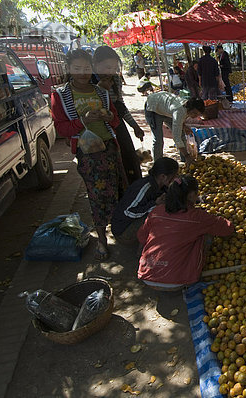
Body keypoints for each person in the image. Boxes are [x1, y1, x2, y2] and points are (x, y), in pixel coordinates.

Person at [51, 49, 127, 260]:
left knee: (118, 190)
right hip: (88, 154)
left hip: (109, 148)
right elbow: (62, 129)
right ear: (69, 69)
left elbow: (115, 121)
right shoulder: (60, 95)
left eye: (86, 68)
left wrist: (109, 115)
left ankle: (120, 231)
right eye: (78, 68)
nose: (83, 73)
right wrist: (83, 120)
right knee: (97, 196)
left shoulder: (101, 92)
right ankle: (102, 239)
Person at [137, 175, 235, 291]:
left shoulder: (156, 211)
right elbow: (227, 229)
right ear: (192, 195)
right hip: (177, 281)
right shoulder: (197, 217)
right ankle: (190, 271)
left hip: (146, 275)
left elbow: (141, 236)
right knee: (206, 234)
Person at [93, 45, 145, 184]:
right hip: (97, 131)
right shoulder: (89, 81)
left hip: (117, 124)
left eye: (114, 68)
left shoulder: (115, 80)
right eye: (107, 67)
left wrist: (135, 126)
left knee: (129, 159)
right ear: (96, 65)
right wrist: (100, 90)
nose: (111, 72)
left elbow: (120, 105)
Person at [111, 157, 179, 245]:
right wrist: (155, 204)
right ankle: (143, 249)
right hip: (123, 232)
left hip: (132, 224)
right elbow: (128, 212)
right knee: (159, 213)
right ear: (163, 176)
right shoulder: (144, 188)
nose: (176, 178)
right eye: (174, 176)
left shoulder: (161, 185)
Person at [144, 92, 205, 163]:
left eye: (197, 114)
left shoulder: (186, 109)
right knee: (158, 140)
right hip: (153, 107)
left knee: (182, 134)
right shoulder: (179, 111)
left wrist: (184, 126)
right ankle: (158, 163)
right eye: (194, 113)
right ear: (190, 108)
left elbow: (179, 122)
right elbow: (176, 137)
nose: (195, 116)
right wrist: (187, 155)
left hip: (166, 109)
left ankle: (185, 160)